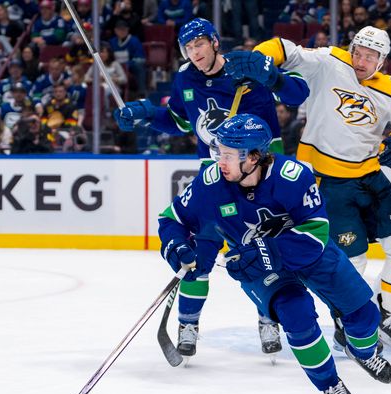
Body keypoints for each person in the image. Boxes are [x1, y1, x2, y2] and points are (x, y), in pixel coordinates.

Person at [158, 114, 391, 394]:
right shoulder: (210, 183)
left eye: (229, 155)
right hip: (260, 269)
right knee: (297, 317)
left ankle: (362, 351)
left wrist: (265, 249)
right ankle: (330, 384)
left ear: (254, 157)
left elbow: (316, 233)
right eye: (219, 152)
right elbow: (172, 219)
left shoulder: (294, 177)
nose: (220, 161)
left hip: (310, 254)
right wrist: (176, 246)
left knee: (364, 314)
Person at [115, 18, 309, 358]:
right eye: (188, 48)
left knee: (269, 251)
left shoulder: (245, 66)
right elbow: (178, 121)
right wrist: (145, 113)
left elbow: (298, 93)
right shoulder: (185, 78)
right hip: (217, 173)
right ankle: (188, 323)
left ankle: (268, 318)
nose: (194, 52)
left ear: (215, 42)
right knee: (198, 250)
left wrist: (274, 76)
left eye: (199, 45)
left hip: (263, 174)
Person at [253, 26, 391, 354]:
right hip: (327, 180)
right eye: (358, 52)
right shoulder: (329, 61)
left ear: (382, 60)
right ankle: (351, 321)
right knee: (354, 260)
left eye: (369, 56)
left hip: (370, 178)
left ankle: (388, 313)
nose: (360, 60)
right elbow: (286, 50)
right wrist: (259, 58)